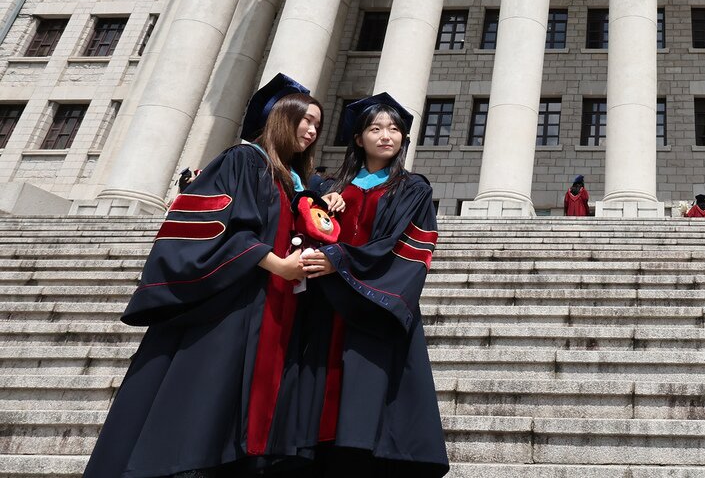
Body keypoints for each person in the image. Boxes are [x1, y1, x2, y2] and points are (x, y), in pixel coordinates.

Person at [85, 74, 323, 477]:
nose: (313, 130)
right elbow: (223, 229)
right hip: (227, 306)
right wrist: (277, 264)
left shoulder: (285, 181)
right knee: (202, 407)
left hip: (266, 308)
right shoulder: (243, 160)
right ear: (283, 117)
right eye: (306, 119)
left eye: (318, 123)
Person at [286, 92, 449, 476]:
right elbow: (303, 231)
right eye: (375, 128)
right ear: (359, 138)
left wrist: (340, 262)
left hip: (375, 305)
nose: (386, 136)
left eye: (394, 129)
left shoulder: (413, 190)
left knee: (366, 399)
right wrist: (318, 205)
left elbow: (405, 247)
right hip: (325, 305)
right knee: (317, 394)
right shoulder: (329, 185)